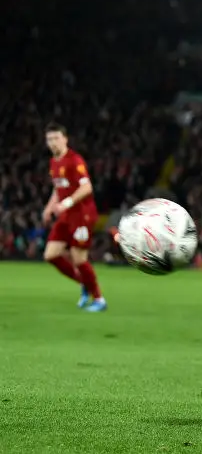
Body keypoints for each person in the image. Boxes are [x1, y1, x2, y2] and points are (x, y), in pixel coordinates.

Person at [41, 122, 106, 312]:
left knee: (79, 259)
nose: (53, 142)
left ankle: (99, 299)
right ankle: (84, 283)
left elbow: (87, 187)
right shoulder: (54, 162)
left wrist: (67, 203)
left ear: (65, 139)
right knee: (51, 255)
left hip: (82, 214)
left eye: (56, 138)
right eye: (49, 139)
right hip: (66, 215)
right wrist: (49, 208)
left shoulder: (74, 160)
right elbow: (58, 188)